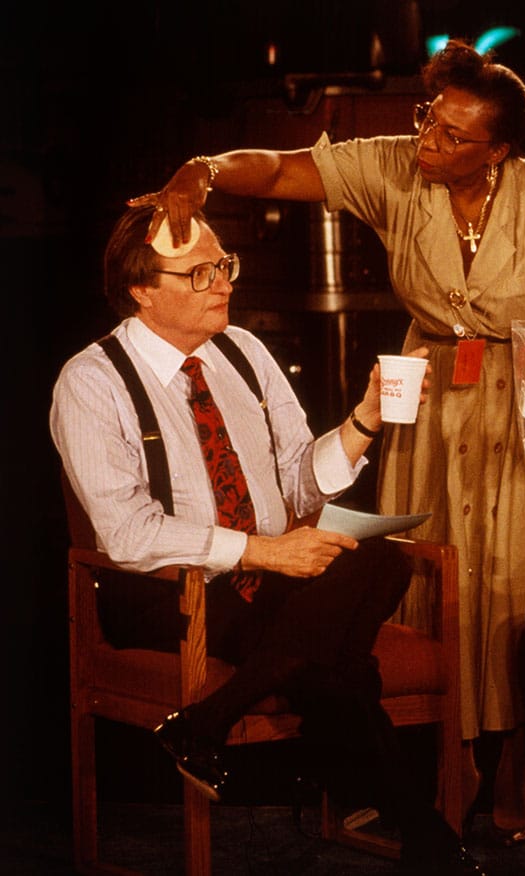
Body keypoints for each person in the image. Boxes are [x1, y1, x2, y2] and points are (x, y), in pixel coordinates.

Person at [129, 40, 525, 844]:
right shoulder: (396, 168)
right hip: (439, 399)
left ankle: (515, 765)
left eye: (453, 137)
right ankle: (452, 760)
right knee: (444, 577)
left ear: (498, 149)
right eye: (429, 122)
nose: (431, 142)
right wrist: (206, 167)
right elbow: (283, 169)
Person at [50, 203, 484, 875]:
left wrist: (365, 421)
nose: (223, 283)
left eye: (224, 266)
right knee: (340, 663)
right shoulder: (91, 381)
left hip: (270, 584)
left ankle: (206, 723)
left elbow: (299, 484)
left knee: (380, 564)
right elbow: (126, 533)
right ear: (141, 288)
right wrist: (260, 552)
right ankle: (424, 833)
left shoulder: (244, 354)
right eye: (199, 273)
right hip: (167, 591)